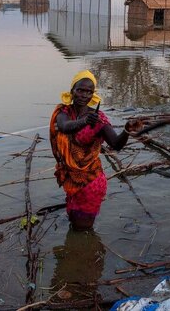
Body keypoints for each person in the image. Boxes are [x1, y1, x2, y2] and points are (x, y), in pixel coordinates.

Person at [50, 70, 141, 230]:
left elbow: (116, 144)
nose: (84, 95)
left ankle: (89, 253)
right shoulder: (64, 112)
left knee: (82, 231)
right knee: (75, 224)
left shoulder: (98, 119)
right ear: (72, 91)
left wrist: (126, 130)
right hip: (71, 180)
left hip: (90, 183)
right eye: (80, 90)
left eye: (89, 92)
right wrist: (84, 121)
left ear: (93, 95)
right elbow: (64, 127)